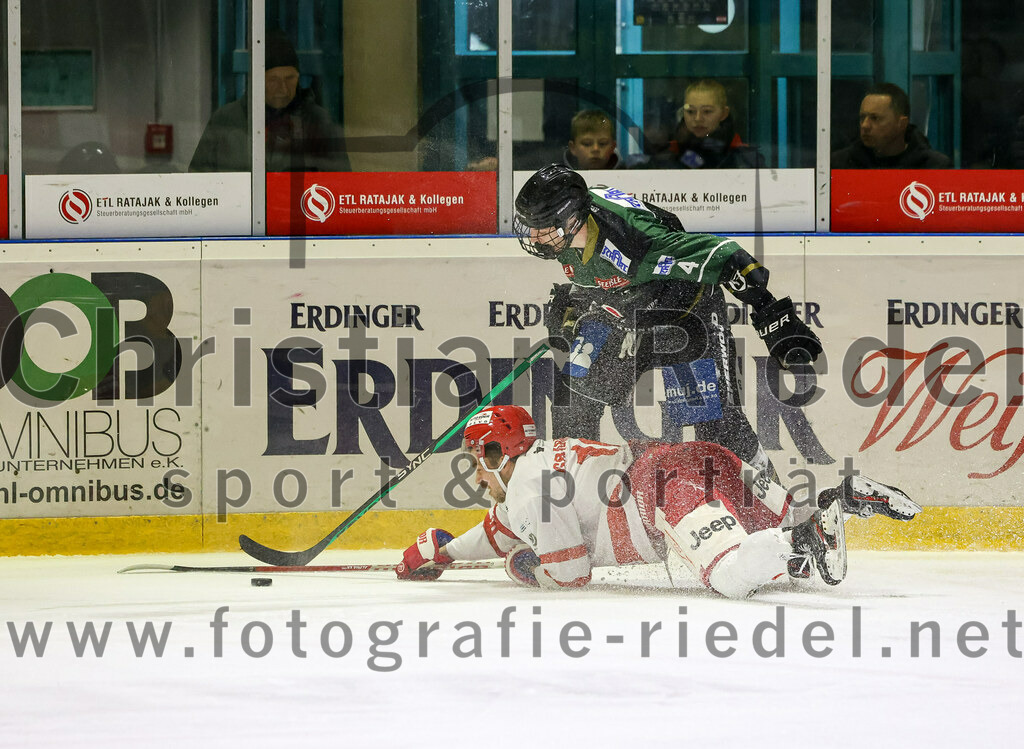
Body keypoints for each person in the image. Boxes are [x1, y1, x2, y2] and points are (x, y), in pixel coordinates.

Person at [396, 406, 920, 598]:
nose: (475, 474)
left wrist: (523, 568)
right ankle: (837, 501)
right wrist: (443, 549)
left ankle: (806, 536)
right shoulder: (542, 463)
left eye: (476, 458)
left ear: (497, 453)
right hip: (703, 460)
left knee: (732, 577)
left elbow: (570, 574)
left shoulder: (530, 488)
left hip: (666, 488)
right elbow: (503, 526)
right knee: (792, 546)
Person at [512, 164, 820, 482]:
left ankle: (775, 504)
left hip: (687, 311)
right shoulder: (566, 235)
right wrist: (576, 305)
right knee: (576, 398)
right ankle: (577, 494)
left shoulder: (636, 241)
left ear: (571, 220)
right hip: (630, 310)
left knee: (719, 429)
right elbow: (597, 274)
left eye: (541, 227)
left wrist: (774, 318)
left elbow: (727, 255)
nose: (533, 236)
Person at [189, 30, 349, 173]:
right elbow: (199, 181)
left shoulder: (318, 120)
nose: (283, 89)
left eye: (290, 78)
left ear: (298, 78)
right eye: (273, 80)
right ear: (258, 80)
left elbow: (340, 184)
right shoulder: (226, 119)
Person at [636, 80, 763, 169]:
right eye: (690, 111)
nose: (697, 118)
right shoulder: (667, 155)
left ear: (724, 113)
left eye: (707, 111)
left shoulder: (746, 159)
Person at [831, 83, 952, 168]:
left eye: (875, 118)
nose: (865, 125)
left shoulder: (934, 167)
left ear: (901, 124)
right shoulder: (840, 164)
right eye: (862, 117)